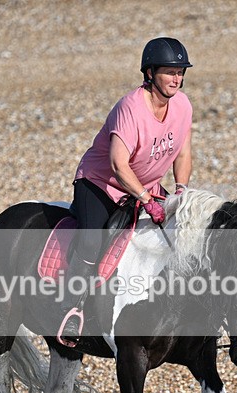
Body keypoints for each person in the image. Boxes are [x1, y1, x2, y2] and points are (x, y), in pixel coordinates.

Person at [57, 37, 194, 346]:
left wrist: (181, 190)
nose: (176, 79)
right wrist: (146, 199)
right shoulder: (130, 108)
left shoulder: (183, 105)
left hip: (146, 186)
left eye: (180, 72)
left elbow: (183, 152)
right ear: (150, 73)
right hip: (102, 184)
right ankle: (72, 308)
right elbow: (118, 165)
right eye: (170, 72)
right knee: (92, 240)